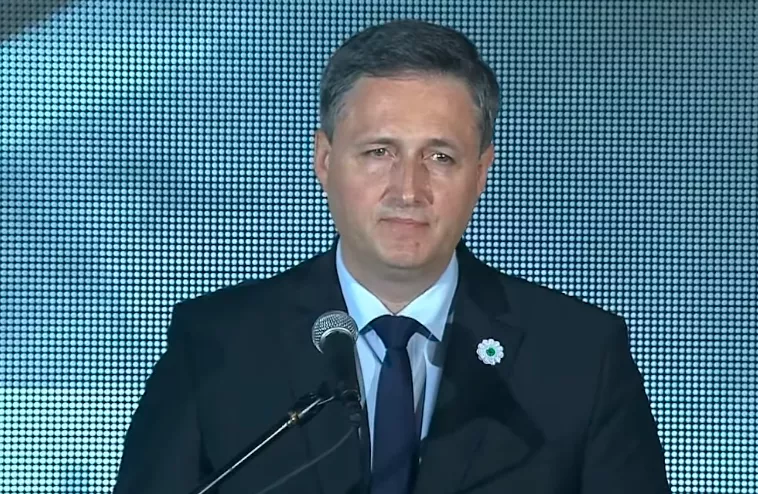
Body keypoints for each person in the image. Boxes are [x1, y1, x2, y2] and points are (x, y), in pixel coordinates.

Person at [113, 19, 671, 494]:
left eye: (441, 157)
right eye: (379, 152)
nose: (408, 190)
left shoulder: (580, 356)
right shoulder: (216, 344)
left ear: (481, 173)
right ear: (325, 161)